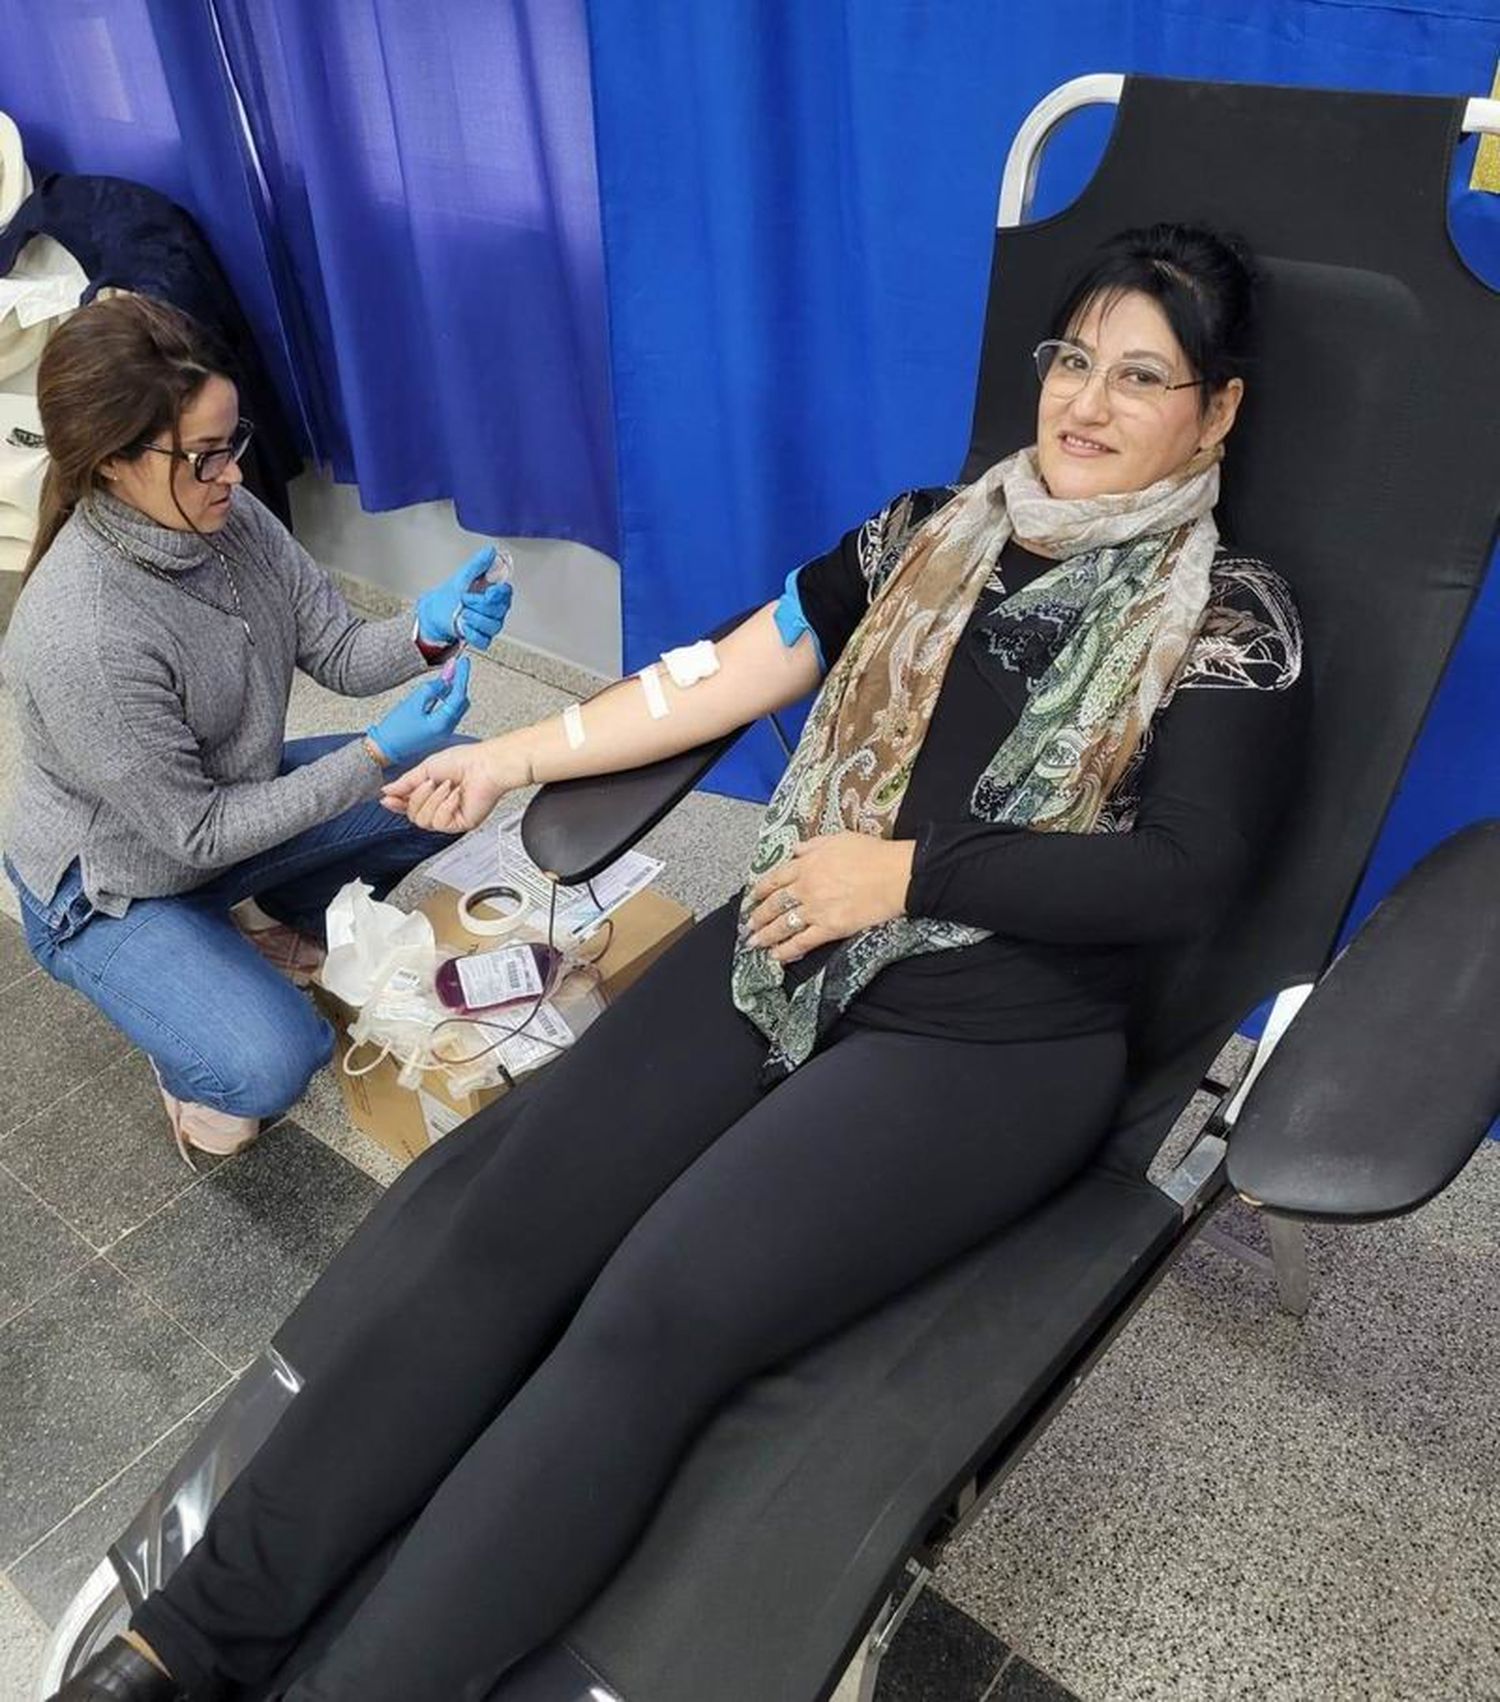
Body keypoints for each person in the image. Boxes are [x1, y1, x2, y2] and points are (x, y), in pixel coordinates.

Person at [55, 223, 1304, 1702]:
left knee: (649, 1318)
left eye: (1143, 377)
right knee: (504, 1237)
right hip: (788, 943)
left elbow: (1182, 880)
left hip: (990, 1033)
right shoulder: (929, 529)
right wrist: (510, 753)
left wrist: (904, 872)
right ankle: (181, 1642)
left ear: (1215, 413)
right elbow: (724, 670)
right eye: (1075, 360)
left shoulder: (1231, 621)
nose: (1087, 403)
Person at [3, 295, 513, 1162]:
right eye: (205, 458)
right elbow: (194, 835)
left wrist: (432, 629)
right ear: (113, 461)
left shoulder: (224, 515)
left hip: (220, 815)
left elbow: (339, 648)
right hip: (114, 884)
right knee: (273, 1062)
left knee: (457, 779)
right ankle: (187, 1028)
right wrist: (376, 752)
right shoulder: (84, 631)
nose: (233, 475)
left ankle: (254, 922)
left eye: (232, 445)